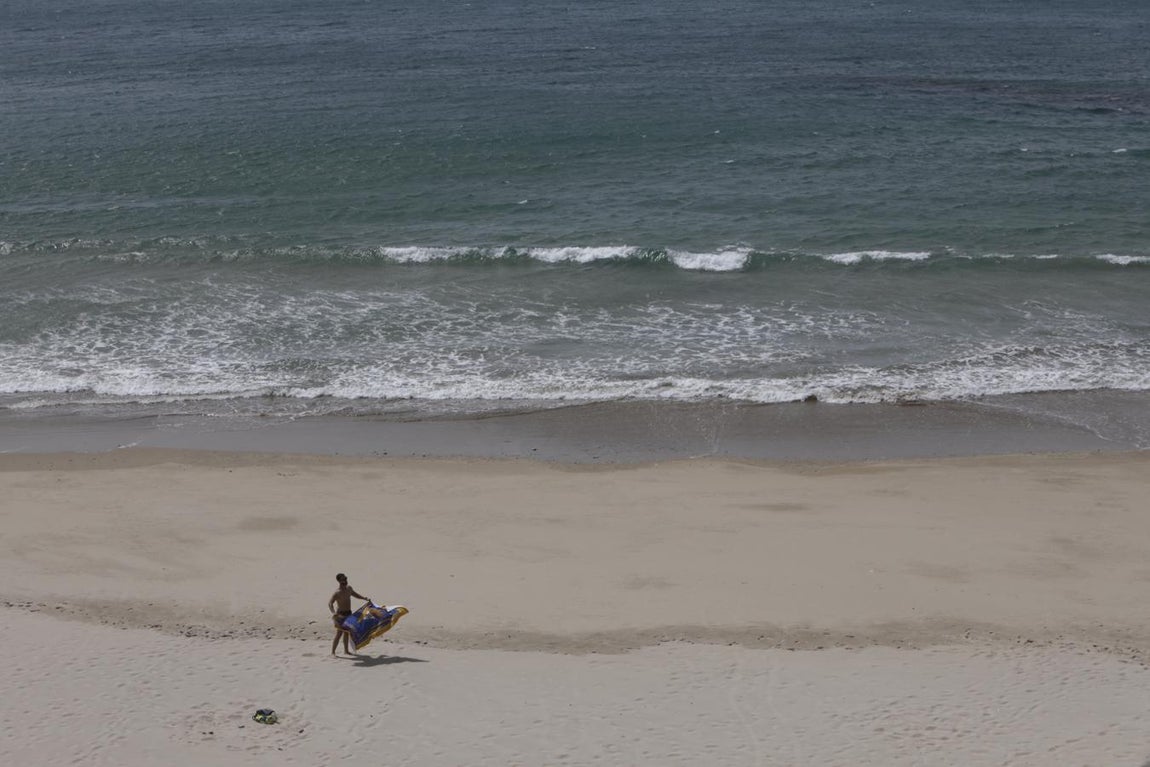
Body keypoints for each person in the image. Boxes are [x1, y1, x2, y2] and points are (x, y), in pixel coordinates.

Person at [329, 573, 371, 656]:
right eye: (343, 580)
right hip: (340, 615)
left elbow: (355, 594)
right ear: (339, 581)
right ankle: (333, 652)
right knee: (339, 633)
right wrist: (333, 613)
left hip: (349, 614)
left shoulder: (349, 588)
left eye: (345, 579)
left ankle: (346, 651)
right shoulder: (337, 593)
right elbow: (330, 603)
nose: (345, 581)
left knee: (347, 633)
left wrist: (364, 598)